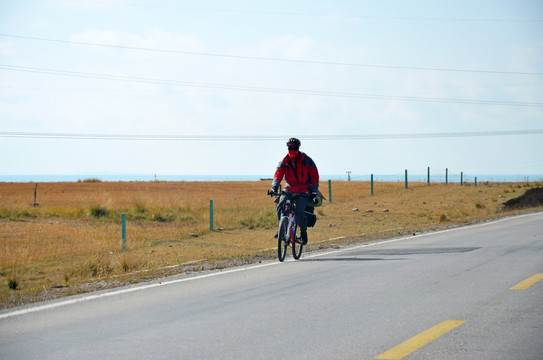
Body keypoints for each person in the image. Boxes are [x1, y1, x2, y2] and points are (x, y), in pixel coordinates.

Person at [270, 138, 320, 245]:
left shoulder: (306, 160)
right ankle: (282, 230)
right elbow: (278, 175)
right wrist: (274, 187)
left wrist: (314, 192)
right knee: (280, 206)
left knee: (299, 212)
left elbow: (314, 176)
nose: (292, 151)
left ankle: (303, 232)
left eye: (294, 148)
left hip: (303, 191)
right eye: (290, 148)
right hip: (289, 189)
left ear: (298, 149)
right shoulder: (284, 161)